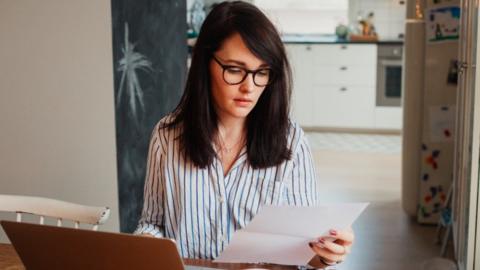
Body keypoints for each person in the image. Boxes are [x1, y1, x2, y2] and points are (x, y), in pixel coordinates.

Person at [134, 1, 354, 268]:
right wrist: (146, 242)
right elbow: (152, 222)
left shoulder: (292, 143)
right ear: (205, 64)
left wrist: (324, 254)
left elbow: (305, 254)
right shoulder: (167, 137)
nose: (249, 87)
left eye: (261, 72)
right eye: (235, 70)